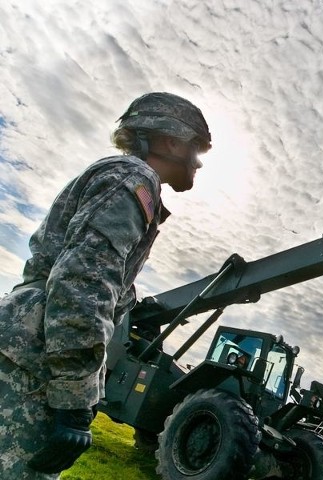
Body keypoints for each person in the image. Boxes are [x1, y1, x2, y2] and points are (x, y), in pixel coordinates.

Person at [0, 92, 212, 479]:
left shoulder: (122, 178)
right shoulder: (134, 180)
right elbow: (85, 283)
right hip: (32, 363)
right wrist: (74, 400)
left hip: (25, 349)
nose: (198, 163)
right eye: (197, 149)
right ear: (171, 141)